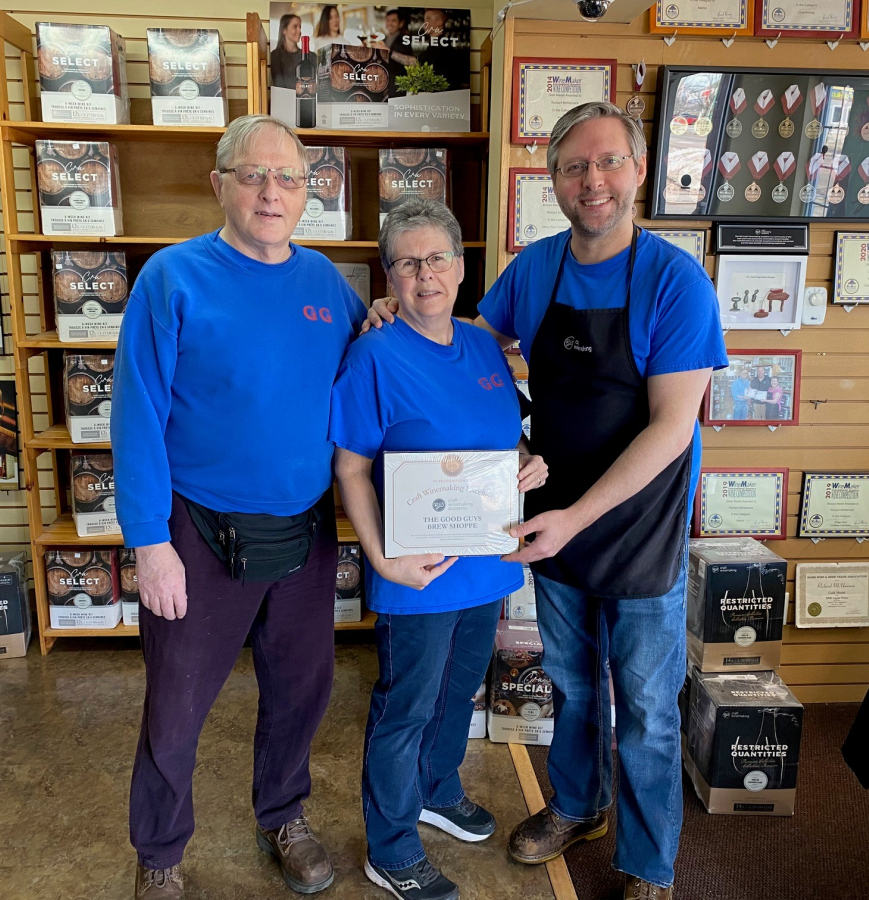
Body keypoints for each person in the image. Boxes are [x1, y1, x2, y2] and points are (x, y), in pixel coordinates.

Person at [367, 102, 727, 900]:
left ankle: (648, 865)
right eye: (573, 167)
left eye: (606, 163)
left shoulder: (675, 280)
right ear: (554, 180)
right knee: (570, 681)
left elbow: (671, 429)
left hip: (641, 529)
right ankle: (576, 805)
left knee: (645, 706)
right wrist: (402, 311)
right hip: (552, 519)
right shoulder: (537, 270)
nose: (591, 181)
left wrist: (573, 514)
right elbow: (470, 346)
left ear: (637, 171)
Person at [113, 114, 366, 900]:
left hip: (305, 532)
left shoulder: (329, 285)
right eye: (253, 175)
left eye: (288, 177)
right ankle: (159, 856)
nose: (271, 191)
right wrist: (149, 542)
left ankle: (282, 815)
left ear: (307, 192)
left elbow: (377, 386)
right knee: (176, 710)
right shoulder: (172, 278)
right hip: (196, 535)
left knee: (302, 692)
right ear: (218, 184)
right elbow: (137, 414)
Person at [332, 198, 548, 900]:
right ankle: (391, 848)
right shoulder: (372, 356)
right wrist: (381, 559)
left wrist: (527, 463)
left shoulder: (485, 347)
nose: (424, 273)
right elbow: (352, 469)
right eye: (407, 261)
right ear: (389, 275)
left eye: (437, 258)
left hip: (485, 568)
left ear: (460, 266)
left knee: (458, 693)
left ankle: (437, 787)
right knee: (407, 706)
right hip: (415, 574)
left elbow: (502, 440)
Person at [269, 14, 303, 90]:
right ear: (284, 30)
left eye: (300, 27)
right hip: (285, 100)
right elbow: (279, 84)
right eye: (295, 27)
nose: (299, 31)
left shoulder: (310, 56)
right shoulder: (275, 56)